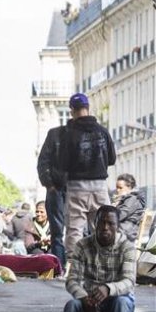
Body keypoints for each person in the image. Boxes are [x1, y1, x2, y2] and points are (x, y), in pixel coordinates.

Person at [54, 205, 135, 312]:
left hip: (116, 303)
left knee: (123, 303)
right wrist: (85, 300)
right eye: (101, 222)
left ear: (117, 226)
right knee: (72, 306)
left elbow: (129, 282)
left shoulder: (127, 247)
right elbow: (72, 281)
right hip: (90, 302)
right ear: (94, 224)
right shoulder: (82, 245)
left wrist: (108, 288)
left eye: (110, 223)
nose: (105, 227)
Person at [57, 93, 116, 261]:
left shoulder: (68, 134)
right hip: (99, 186)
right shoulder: (103, 132)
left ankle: (74, 267)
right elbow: (111, 159)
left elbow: (62, 163)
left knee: (75, 229)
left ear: (72, 111)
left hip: (76, 187)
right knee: (103, 227)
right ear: (88, 108)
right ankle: (105, 265)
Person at [38, 122, 69, 268]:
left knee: (60, 234)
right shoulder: (55, 135)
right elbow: (43, 162)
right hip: (61, 189)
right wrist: (50, 186)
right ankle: (61, 268)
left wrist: (49, 185)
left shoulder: (55, 135)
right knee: (60, 233)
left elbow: (43, 162)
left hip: (62, 189)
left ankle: (61, 268)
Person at [113, 173, 145, 245]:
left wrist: (116, 205)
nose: (118, 190)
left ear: (129, 187)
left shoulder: (132, 199)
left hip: (125, 233)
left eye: (120, 188)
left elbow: (120, 215)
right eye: (117, 187)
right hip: (122, 231)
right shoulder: (127, 199)